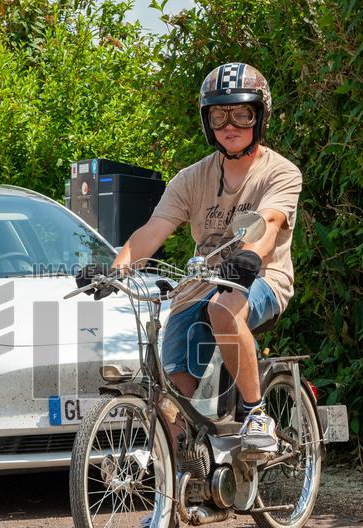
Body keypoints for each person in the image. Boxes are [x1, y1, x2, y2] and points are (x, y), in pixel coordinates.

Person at [110, 62, 303, 452]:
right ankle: (183, 472)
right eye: (218, 116)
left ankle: (255, 413)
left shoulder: (281, 173)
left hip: (262, 277)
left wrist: (248, 257)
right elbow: (152, 230)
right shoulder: (190, 178)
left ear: (260, 116)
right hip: (201, 283)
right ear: (207, 121)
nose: (229, 125)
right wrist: (115, 268)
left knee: (222, 308)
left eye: (241, 114)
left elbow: (269, 222)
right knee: (172, 383)